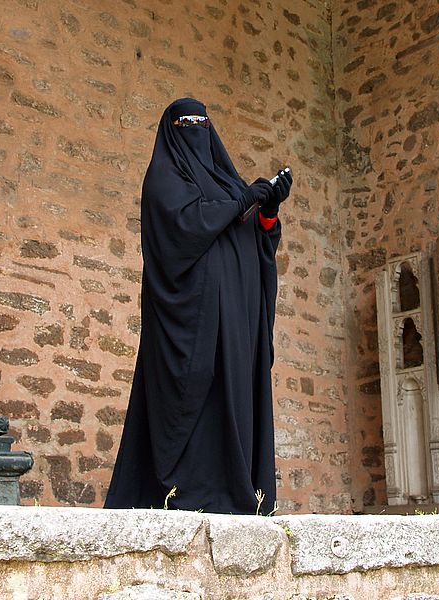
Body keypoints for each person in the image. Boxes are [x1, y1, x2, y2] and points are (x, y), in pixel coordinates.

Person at [104, 98, 292, 514]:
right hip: (193, 322)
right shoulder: (163, 180)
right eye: (186, 122)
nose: (196, 128)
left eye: (202, 122)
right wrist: (242, 202)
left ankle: (237, 495)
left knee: (234, 400)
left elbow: (251, 240)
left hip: (237, 323)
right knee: (198, 397)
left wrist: (267, 213)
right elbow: (184, 228)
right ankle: (181, 496)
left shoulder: (226, 181)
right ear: (172, 130)